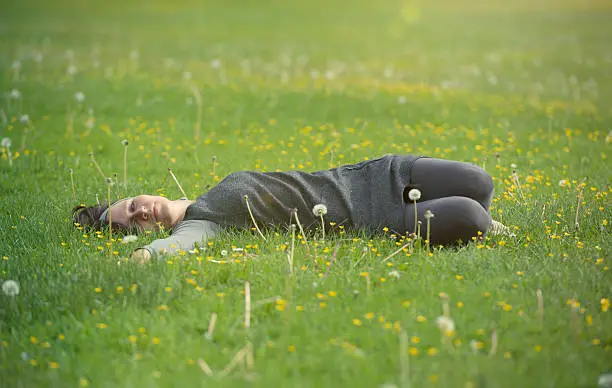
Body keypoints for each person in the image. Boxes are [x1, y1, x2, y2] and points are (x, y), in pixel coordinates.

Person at [72, 155, 509, 262]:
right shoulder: (204, 225)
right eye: (132, 222)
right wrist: (145, 256)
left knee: (479, 182)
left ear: (142, 194)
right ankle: (484, 224)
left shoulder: (211, 190)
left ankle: (479, 216)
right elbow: (179, 247)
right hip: (374, 220)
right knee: (471, 217)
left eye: (131, 205)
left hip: (373, 176)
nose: (140, 212)